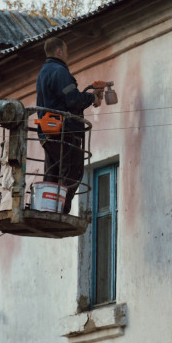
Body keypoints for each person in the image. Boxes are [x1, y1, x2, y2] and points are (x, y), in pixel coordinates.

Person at [36, 37, 101, 214]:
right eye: (66, 52)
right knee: (72, 172)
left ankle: (47, 210)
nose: (67, 55)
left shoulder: (43, 73)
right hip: (65, 132)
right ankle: (60, 212)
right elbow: (72, 100)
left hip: (48, 132)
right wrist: (92, 97)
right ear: (59, 52)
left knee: (53, 174)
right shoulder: (60, 72)